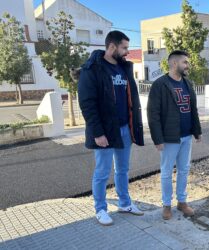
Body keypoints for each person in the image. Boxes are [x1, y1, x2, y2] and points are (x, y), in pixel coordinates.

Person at [77, 31, 145, 226]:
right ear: (112, 47)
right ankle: (100, 209)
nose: (127, 52)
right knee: (102, 172)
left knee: (123, 169)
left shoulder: (124, 68)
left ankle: (124, 203)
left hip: (124, 129)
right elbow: (87, 104)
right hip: (105, 131)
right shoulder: (93, 69)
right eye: (124, 48)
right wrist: (98, 133)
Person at [147, 50, 202, 220]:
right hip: (169, 138)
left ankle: (182, 201)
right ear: (174, 64)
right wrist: (158, 139)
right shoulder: (160, 84)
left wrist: (197, 130)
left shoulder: (188, 83)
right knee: (166, 172)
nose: (188, 65)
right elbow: (153, 113)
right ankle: (166, 205)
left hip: (186, 137)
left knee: (184, 170)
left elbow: (193, 109)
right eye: (185, 62)